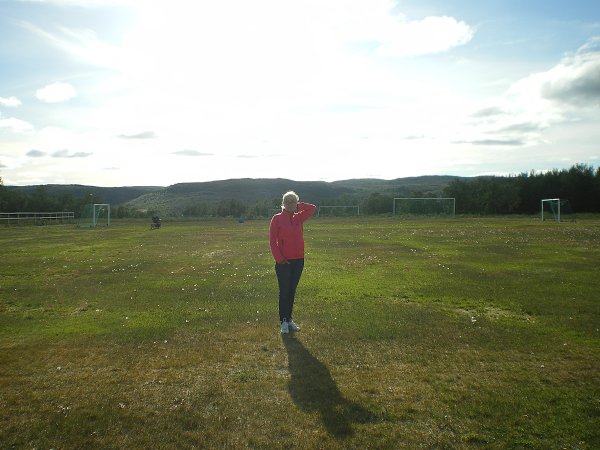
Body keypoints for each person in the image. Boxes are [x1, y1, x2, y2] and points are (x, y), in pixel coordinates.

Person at [269, 191, 317, 334]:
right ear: (283, 203)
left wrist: (298, 205)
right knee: (284, 291)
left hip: (298, 260)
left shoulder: (298, 217)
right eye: (287, 202)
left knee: (292, 291)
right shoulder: (277, 218)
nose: (289, 204)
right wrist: (279, 259)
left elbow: (312, 208)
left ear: (296, 203)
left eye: (292, 202)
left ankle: (289, 319)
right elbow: (272, 241)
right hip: (284, 262)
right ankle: (283, 321)